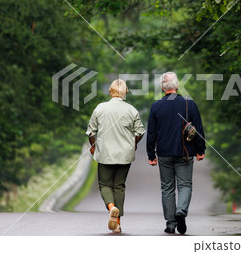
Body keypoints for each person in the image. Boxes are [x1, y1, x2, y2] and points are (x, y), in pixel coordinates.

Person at [147, 72, 206, 234]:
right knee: (185, 185)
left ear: (162, 88)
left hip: (164, 153)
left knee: (167, 188)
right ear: (177, 86)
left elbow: (151, 133)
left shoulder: (156, 106)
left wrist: (151, 155)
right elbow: (198, 129)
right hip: (185, 152)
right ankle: (181, 211)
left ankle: (171, 224)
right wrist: (201, 150)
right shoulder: (190, 104)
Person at [86, 79, 145, 233]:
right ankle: (117, 224)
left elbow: (91, 132)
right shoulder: (132, 110)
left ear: (111, 91)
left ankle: (111, 207)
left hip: (105, 153)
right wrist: (134, 143)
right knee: (119, 186)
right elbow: (140, 132)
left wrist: (93, 146)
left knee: (105, 185)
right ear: (125, 92)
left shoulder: (100, 108)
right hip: (125, 154)